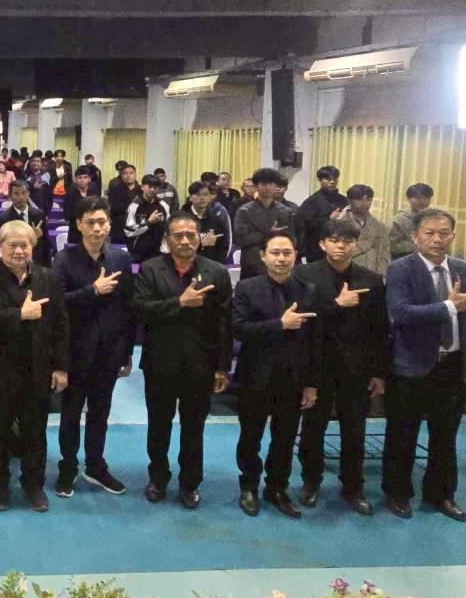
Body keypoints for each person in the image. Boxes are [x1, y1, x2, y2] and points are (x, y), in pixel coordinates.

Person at [382, 207, 466, 522]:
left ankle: (441, 494)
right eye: (429, 233)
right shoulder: (401, 269)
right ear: (415, 236)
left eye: (444, 233)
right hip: (411, 366)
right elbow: (401, 313)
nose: (437, 239)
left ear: (453, 235)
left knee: (445, 436)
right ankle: (397, 493)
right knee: (403, 435)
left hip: (453, 366)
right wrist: (449, 306)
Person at [133, 212, 233, 509]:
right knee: (158, 425)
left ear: (199, 238)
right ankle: (158, 478)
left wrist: (222, 366)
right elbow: (140, 309)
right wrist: (179, 302)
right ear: (167, 239)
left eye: (191, 235)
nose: (186, 241)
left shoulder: (217, 272)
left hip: (201, 364)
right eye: (178, 235)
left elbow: (224, 323)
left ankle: (190, 483)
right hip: (160, 362)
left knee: (194, 428)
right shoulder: (150, 269)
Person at [0, 219, 68, 512]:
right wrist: (19, 315)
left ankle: (33, 485)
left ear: (33, 247)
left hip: (37, 369)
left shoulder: (48, 278)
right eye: (12, 245)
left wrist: (61, 367)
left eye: (24, 245)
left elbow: (61, 325)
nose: (18, 251)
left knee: (35, 432)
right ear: (0, 247)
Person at [294, 218, 388, 515]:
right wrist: (337, 304)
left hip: (356, 367)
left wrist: (379, 372)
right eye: (334, 240)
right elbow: (303, 318)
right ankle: (311, 482)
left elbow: (379, 329)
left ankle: (353, 487)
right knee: (313, 427)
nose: (341, 246)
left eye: (347, 241)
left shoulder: (371, 279)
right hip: (316, 364)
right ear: (322, 243)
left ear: (355, 244)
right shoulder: (303, 275)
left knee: (355, 429)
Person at [232, 230, 321, 519]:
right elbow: (239, 329)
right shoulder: (247, 288)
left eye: (287, 253)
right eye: (275, 252)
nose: (281, 258)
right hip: (255, 375)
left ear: (295, 255)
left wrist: (312, 384)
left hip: (293, 377)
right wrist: (279, 324)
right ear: (263, 256)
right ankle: (248, 486)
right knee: (250, 436)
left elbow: (315, 341)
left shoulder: (308, 290)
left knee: (284, 438)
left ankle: (277, 488)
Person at [54, 197, 134, 498]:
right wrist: (93, 291)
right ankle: (67, 466)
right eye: (91, 223)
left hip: (110, 349)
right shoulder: (64, 259)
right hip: (75, 349)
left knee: (101, 410)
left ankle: (96, 465)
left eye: (102, 222)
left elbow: (128, 307)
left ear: (109, 224)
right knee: (71, 412)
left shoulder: (120, 259)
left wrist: (127, 351)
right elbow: (58, 304)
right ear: (79, 225)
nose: (97, 228)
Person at [234, 167, 295, 278]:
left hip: (278, 264)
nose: (267, 187)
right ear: (256, 186)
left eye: (271, 184)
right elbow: (240, 238)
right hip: (251, 265)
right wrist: (268, 233)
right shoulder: (244, 211)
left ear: (276, 186)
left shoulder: (286, 211)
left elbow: (292, 238)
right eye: (263, 184)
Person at [0, 179, 51, 267]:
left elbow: (46, 244)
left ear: (28, 194)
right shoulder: (4, 218)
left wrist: (48, 269)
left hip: (37, 263)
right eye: (16, 194)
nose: (21, 197)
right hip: (14, 264)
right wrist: (32, 237)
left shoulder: (39, 214)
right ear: (10, 196)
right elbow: (3, 247)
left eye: (24, 193)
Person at [298, 166, 347, 261]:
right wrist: (329, 219)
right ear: (320, 180)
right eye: (328, 179)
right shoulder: (312, 201)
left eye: (335, 179)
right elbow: (305, 226)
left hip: (340, 248)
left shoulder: (344, 200)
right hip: (317, 251)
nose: (332, 182)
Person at [342, 184, 390, 276]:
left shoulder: (378, 225)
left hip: (373, 275)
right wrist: (369, 243)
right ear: (349, 200)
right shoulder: (340, 223)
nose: (364, 203)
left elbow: (384, 253)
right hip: (348, 274)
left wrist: (381, 275)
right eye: (359, 199)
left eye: (368, 199)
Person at [182, 180, 231, 264]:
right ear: (190, 197)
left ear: (210, 197)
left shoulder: (216, 218)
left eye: (205, 194)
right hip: (187, 264)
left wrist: (218, 265)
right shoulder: (181, 218)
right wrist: (201, 243)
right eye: (198, 194)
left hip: (211, 265)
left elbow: (224, 245)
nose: (202, 198)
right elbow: (177, 246)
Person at [124, 175, 170, 264]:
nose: (152, 189)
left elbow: (168, 228)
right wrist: (148, 222)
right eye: (150, 186)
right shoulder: (134, 206)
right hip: (137, 253)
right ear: (142, 187)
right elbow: (128, 230)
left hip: (158, 252)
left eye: (155, 187)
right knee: (135, 272)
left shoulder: (163, 205)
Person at [390, 183, 434, 260]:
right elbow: (390, 246)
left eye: (427, 198)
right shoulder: (398, 220)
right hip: (402, 260)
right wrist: (416, 245)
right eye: (418, 198)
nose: (423, 202)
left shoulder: (432, 219)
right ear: (408, 199)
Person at [106, 164, 140, 244]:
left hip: (136, 229)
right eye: (125, 173)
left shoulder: (141, 191)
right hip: (118, 229)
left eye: (131, 173)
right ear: (121, 175)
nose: (128, 176)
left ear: (135, 174)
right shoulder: (115, 190)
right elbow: (111, 208)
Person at [62, 165, 99, 237]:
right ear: (75, 179)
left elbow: (97, 207)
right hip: (75, 229)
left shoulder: (93, 189)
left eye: (85, 177)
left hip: (91, 228)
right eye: (80, 178)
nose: (82, 180)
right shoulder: (70, 191)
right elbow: (67, 214)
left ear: (89, 179)